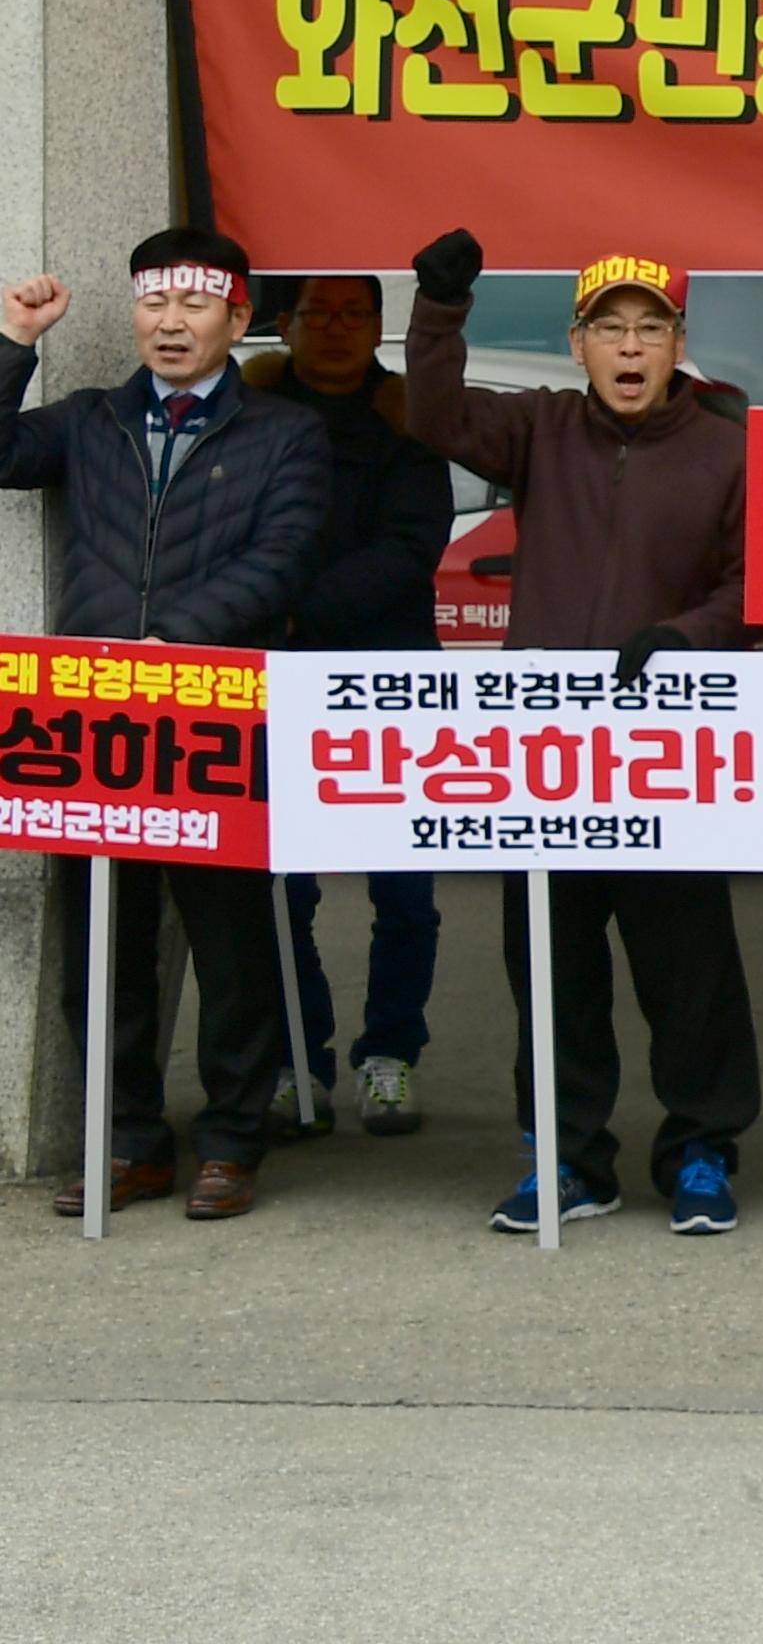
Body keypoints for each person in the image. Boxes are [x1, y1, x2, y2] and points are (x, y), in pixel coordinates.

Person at [407, 232, 762, 1238]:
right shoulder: (540, 429)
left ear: (679, 341)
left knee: (689, 966)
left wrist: (684, 635)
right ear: (579, 344)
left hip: (670, 753)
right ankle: (566, 1156)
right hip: (549, 752)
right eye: (612, 328)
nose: (632, 346)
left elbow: (757, 586)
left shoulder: (728, 445)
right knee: (552, 963)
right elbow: (433, 414)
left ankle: (702, 1147)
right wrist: (440, 309)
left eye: (652, 327)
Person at [2, 231, 325, 1220]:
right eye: (154, 305)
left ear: (238, 319)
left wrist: (169, 636)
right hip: (90, 714)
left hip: (213, 707)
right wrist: (15, 340)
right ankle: (129, 1139)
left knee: (231, 941)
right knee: (102, 941)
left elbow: (283, 555)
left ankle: (232, 1137)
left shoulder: (285, 432)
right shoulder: (90, 418)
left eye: (195, 306)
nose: (171, 323)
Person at [246, 272, 453, 1142]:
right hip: (273, 676)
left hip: (392, 676)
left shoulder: (406, 422)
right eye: (317, 311)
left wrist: (296, 609)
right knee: (280, 887)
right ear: (283, 324)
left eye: (354, 311)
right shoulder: (247, 420)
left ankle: (390, 1055)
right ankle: (300, 1059)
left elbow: (412, 546)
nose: (335, 326)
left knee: (404, 890)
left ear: (378, 326)